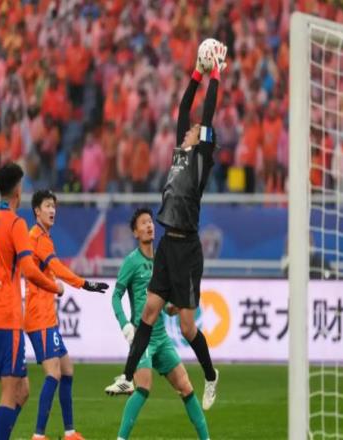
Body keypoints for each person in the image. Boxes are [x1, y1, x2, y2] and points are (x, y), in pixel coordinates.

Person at [115, 43, 227, 410]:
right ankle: (127, 375)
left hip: (187, 250)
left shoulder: (201, 159)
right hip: (167, 244)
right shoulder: (181, 153)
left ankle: (210, 375)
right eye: (191, 129)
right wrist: (196, 73)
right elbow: (183, 109)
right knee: (148, 312)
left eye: (196, 130)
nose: (191, 128)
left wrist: (214, 75)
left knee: (188, 328)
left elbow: (206, 115)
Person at [0, 163, 64, 440]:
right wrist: (55, 287)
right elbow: (29, 270)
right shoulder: (16, 223)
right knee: (10, 393)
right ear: (18, 190)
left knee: (23, 390)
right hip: (8, 319)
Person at [105, 208, 211, 440]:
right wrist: (125, 325)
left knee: (186, 387)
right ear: (135, 232)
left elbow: (164, 304)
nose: (149, 226)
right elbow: (116, 296)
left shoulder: (162, 261)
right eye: (143, 223)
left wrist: (173, 307)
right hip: (142, 338)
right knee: (144, 386)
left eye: (151, 222)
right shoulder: (131, 262)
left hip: (161, 337)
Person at [25, 189, 109, 440]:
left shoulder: (40, 236)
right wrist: (85, 284)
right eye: (47, 206)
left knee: (67, 370)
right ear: (37, 211)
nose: (52, 210)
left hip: (46, 317)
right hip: (39, 317)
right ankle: (38, 435)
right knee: (54, 374)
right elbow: (57, 268)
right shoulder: (38, 237)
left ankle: (69, 432)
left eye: (54, 206)